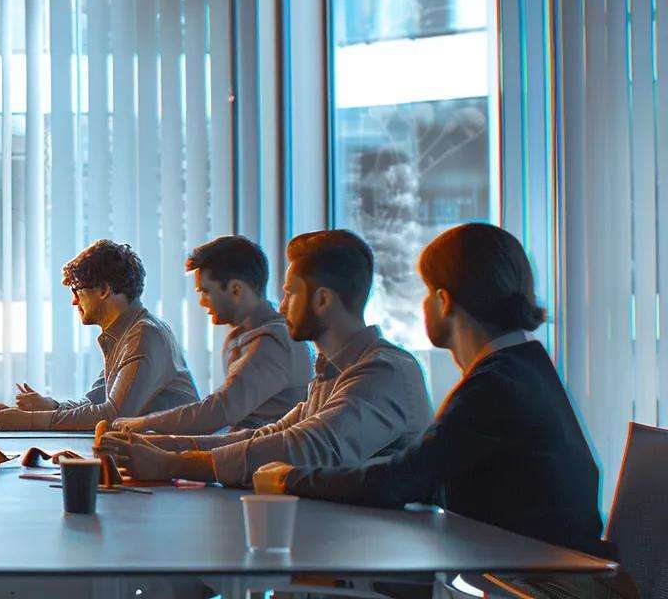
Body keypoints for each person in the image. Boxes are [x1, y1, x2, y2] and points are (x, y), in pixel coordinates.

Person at [254, 224, 610, 558]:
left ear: (444, 301)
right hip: (540, 566)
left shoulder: (495, 386)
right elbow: (424, 475)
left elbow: (401, 480)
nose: (423, 304)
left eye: (426, 292)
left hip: (534, 579)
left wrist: (288, 478)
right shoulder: (523, 368)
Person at [96, 230, 433, 487]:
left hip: (372, 551)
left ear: (322, 300)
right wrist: (159, 446)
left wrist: (171, 463)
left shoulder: (384, 371)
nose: (282, 306)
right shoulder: (331, 372)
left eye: (290, 293)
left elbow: (304, 448)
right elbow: (269, 434)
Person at [0, 239, 199, 431]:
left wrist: (28, 421)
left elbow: (112, 415)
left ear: (104, 290)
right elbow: (94, 402)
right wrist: (49, 406)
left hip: (174, 458)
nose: (74, 301)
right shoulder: (127, 333)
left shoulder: (144, 335)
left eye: (76, 290)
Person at [110, 236, 312, 434]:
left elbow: (219, 410)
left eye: (205, 291)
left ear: (235, 289)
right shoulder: (246, 336)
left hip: (259, 454)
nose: (202, 302)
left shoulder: (272, 342)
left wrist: (142, 424)